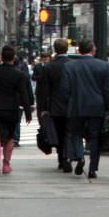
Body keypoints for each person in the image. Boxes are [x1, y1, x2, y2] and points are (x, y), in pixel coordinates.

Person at [59, 39, 109, 180]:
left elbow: (64, 90)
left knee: (75, 134)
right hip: (97, 106)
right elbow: (107, 90)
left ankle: (80, 157)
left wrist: (67, 103)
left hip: (76, 106)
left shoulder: (69, 66)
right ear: (93, 50)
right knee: (95, 137)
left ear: (79, 50)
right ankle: (92, 169)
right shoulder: (102, 66)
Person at [0, 45, 33, 176]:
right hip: (11, 110)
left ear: (1, 57)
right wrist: (28, 112)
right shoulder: (19, 74)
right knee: (9, 138)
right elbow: (25, 95)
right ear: (13, 58)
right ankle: (6, 164)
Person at [40, 39, 73, 171]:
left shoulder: (49, 67)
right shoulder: (73, 65)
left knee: (59, 132)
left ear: (55, 50)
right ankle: (69, 156)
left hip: (55, 105)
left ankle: (62, 159)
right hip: (71, 104)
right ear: (67, 49)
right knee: (70, 132)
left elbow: (44, 90)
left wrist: (44, 108)